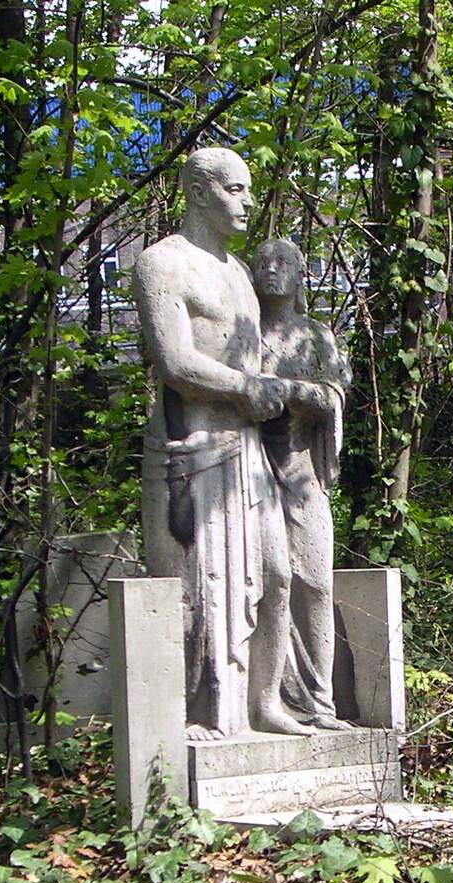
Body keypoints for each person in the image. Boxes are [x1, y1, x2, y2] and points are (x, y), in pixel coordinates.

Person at [133, 149, 312, 740]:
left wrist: (283, 390)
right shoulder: (161, 264)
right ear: (198, 192)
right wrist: (244, 387)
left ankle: (265, 702)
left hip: (248, 449)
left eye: (249, 190)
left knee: (276, 573)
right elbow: (174, 361)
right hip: (192, 448)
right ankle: (198, 711)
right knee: (198, 586)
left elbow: (254, 356)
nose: (248, 202)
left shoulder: (238, 273)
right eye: (235, 189)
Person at [252, 238, 353, 730]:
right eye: (262, 263)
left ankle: (321, 701)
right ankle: (266, 699)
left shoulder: (315, 335)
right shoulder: (242, 332)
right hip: (250, 470)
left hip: (303, 470)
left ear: (298, 274)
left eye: (282, 263)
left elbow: (334, 394)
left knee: (316, 581)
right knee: (268, 580)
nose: (271, 270)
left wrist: (291, 391)